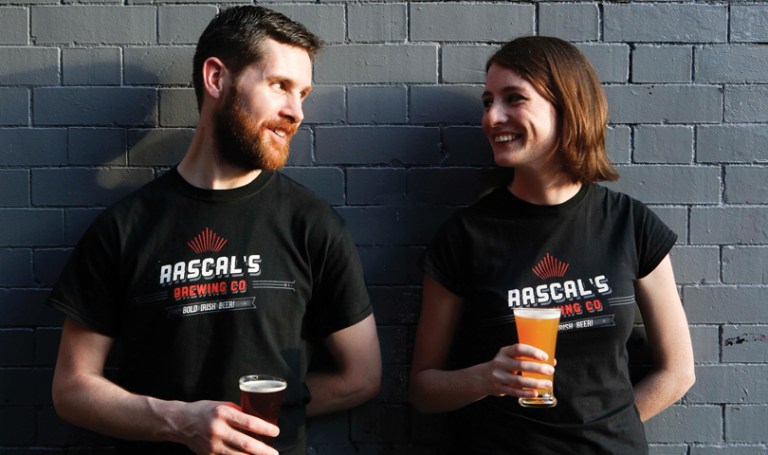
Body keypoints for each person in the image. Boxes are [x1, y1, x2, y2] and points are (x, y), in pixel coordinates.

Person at [47, 6, 381, 455]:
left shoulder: (312, 224)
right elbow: (71, 388)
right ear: (217, 78)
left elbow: (361, 377)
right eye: (279, 86)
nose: (296, 112)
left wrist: (259, 418)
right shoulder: (124, 228)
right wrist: (179, 422)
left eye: (302, 93)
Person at [409, 36, 695, 454]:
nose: (492, 117)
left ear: (568, 107)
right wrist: (486, 377)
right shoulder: (465, 236)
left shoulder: (629, 224)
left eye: (514, 98)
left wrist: (604, 437)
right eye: (488, 102)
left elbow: (678, 371)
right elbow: (423, 390)